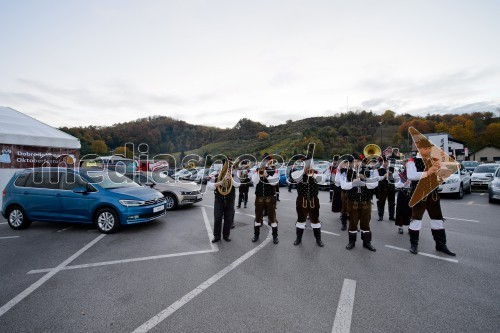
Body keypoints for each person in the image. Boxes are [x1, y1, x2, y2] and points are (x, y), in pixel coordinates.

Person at [407, 135, 456, 256]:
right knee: (416, 220)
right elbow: (411, 176)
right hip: (419, 193)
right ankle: (414, 244)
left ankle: (441, 245)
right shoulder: (412, 161)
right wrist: (428, 172)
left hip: (433, 194)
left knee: (438, 220)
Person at [341, 153, 379, 251]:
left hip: (365, 201)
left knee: (366, 223)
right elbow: (343, 185)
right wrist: (353, 183)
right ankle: (351, 242)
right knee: (353, 223)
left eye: (358, 161)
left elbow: (375, 184)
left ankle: (367, 243)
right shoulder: (346, 172)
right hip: (352, 201)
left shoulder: (368, 171)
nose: (356, 163)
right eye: (354, 162)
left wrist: (364, 179)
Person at [292, 159, 324, 247]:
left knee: (315, 220)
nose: (308, 167)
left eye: (309, 165)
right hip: (301, 200)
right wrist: (303, 171)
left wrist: (313, 174)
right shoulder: (298, 174)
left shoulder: (316, 174)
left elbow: (321, 180)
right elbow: (294, 177)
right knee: (301, 219)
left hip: (314, 200)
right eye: (306, 165)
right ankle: (298, 239)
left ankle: (318, 240)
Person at [207, 160, 240, 243]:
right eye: (226, 166)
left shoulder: (234, 174)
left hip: (230, 200)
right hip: (219, 200)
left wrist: (231, 179)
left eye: (229, 166)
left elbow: (238, 184)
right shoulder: (215, 174)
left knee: (228, 219)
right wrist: (220, 183)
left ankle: (226, 235)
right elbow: (209, 186)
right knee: (217, 218)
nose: (227, 168)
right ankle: (217, 236)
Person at [252, 160, 280, 244]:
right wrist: (258, 174)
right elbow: (254, 181)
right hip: (259, 197)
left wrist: (267, 175)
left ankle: (275, 236)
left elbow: (274, 182)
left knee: (272, 218)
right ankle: (256, 235)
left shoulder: (272, 171)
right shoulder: (256, 172)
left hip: (269, 197)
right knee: (257, 217)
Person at [376, 157, 396, 221]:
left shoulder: (391, 169)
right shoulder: (379, 169)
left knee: (392, 202)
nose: (386, 163)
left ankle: (391, 216)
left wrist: (392, 175)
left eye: (387, 162)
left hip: (391, 188)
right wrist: (385, 175)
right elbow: (378, 178)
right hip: (382, 188)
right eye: (385, 162)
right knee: (381, 202)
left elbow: (395, 178)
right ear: (382, 162)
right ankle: (380, 216)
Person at [395, 165, 411, 234]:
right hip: (402, 193)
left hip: (411, 193)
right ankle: (400, 227)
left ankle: (410, 227)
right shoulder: (401, 175)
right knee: (400, 211)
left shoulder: (413, 175)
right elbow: (397, 185)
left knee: (411, 211)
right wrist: (405, 183)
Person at [335, 159, 350, 231]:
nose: (346, 165)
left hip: (352, 190)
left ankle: (354, 225)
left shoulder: (352, 170)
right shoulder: (341, 171)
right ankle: (344, 224)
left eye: (347, 163)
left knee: (352, 208)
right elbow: (337, 181)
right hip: (344, 191)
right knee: (344, 207)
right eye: (345, 163)